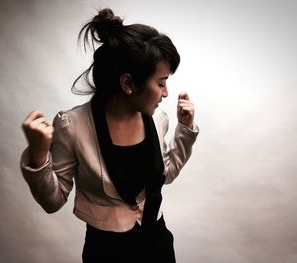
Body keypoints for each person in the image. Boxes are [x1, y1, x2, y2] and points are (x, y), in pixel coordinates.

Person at [20, 8, 199, 263]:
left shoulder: (158, 119)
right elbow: (53, 200)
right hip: (106, 253)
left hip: (158, 246)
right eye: (160, 83)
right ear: (128, 83)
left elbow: (164, 174)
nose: (166, 93)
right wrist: (38, 155)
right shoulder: (73, 125)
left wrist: (185, 130)